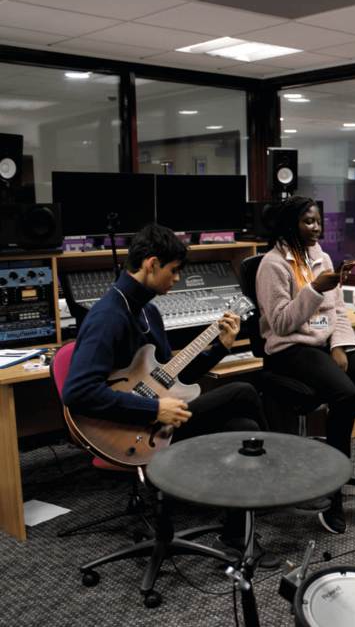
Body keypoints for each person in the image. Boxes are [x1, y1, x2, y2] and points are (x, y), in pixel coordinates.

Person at [62, 223, 279, 570]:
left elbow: (175, 378)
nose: (177, 279)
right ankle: (279, 480)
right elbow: (77, 392)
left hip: (156, 418)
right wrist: (152, 408)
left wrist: (219, 348)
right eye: (173, 271)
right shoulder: (107, 316)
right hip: (132, 427)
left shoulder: (148, 311)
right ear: (151, 265)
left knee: (243, 425)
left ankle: (236, 535)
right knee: (243, 391)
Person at [256, 195, 355, 535]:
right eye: (308, 222)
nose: (316, 228)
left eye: (318, 222)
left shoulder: (321, 257)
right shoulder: (272, 265)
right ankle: (333, 490)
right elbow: (282, 324)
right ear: (289, 225)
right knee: (346, 395)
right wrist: (313, 289)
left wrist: (339, 344)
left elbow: (336, 313)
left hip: (322, 341)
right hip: (290, 348)